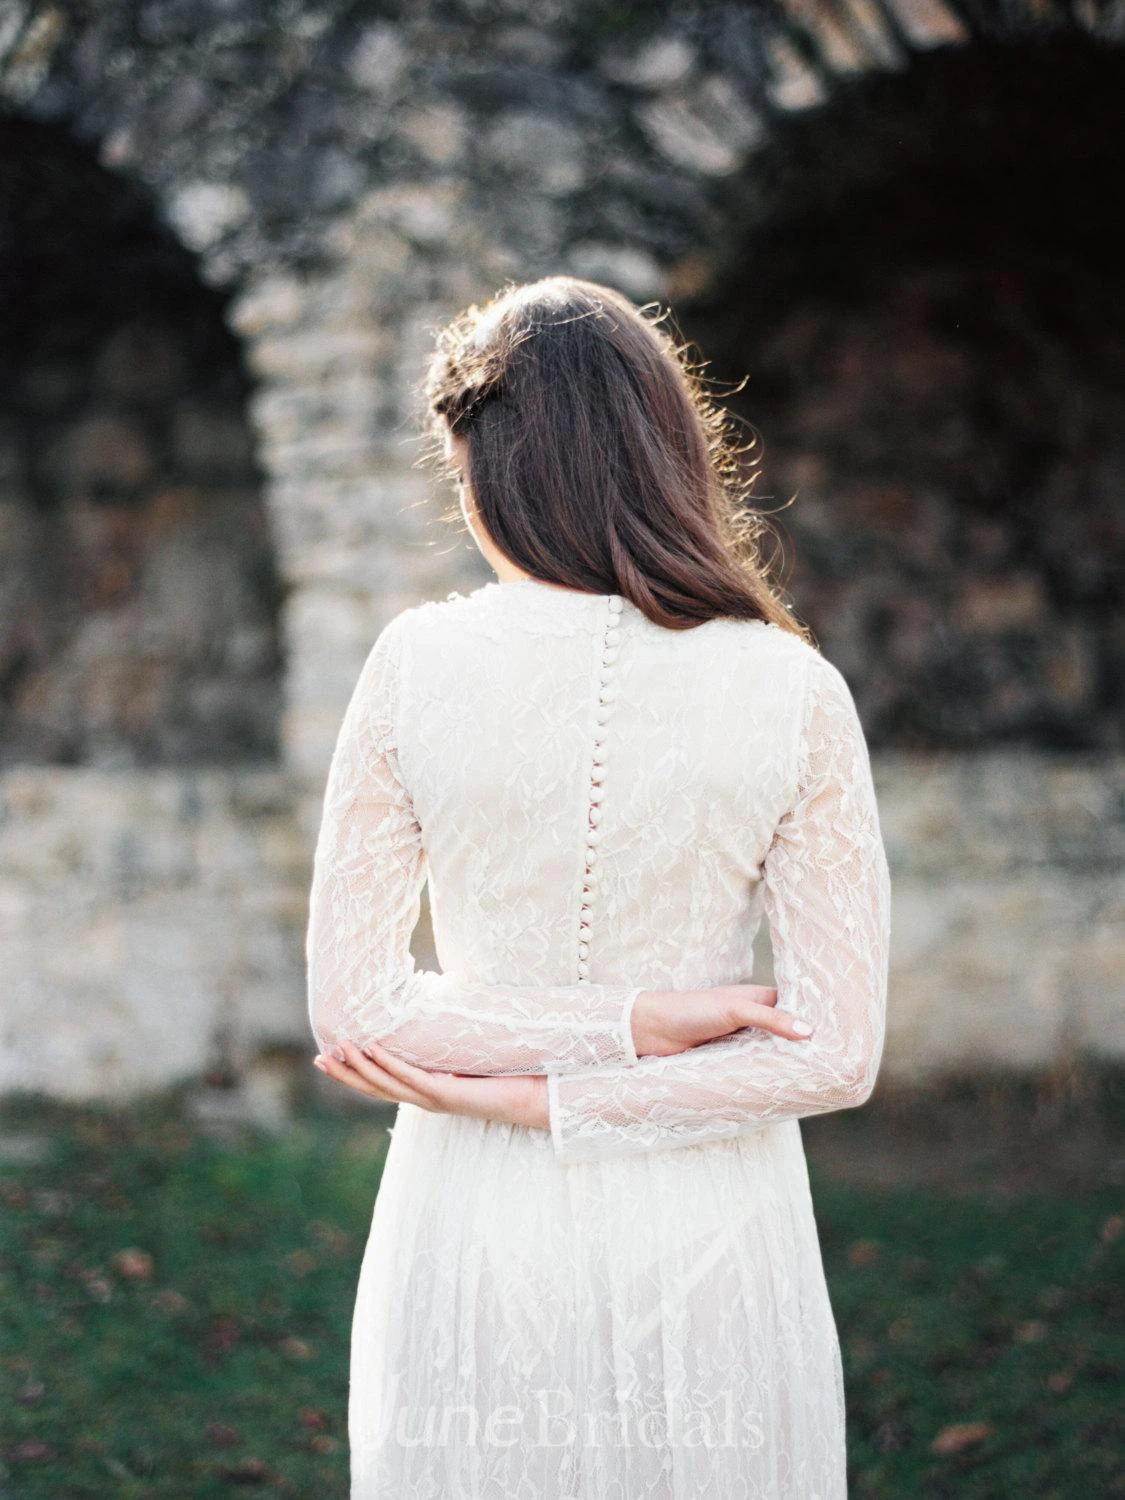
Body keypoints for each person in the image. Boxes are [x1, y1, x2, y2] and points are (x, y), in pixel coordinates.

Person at [305, 274, 892, 1498]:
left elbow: (360, 1013)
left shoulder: (417, 665)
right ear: (666, 452)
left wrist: (544, 1101)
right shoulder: (794, 689)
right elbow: (834, 1053)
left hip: (471, 1214)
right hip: (712, 1220)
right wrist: (637, 1028)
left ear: (484, 467)